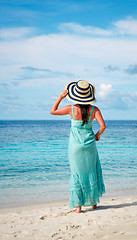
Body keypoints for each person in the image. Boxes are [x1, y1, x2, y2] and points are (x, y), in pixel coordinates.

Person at [50, 80, 106, 213]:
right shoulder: (94, 109)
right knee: (91, 171)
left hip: (75, 147)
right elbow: (103, 126)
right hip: (90, 145)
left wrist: (60, 97)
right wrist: (97, 135)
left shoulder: (71, 109)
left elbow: (52, 111)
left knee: (77, 174)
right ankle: (93, 203)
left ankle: (78, 207)